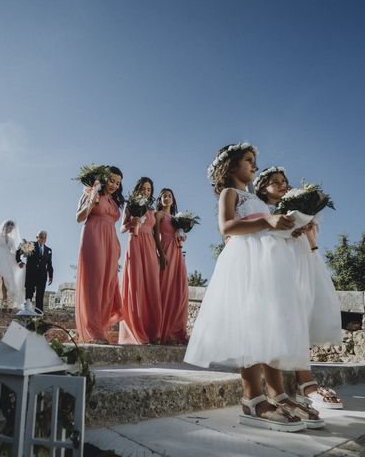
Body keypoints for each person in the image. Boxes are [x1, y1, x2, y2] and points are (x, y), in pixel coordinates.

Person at [184, 143, 311, 432]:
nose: (254, 165)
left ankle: (276, 393)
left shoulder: (258, 200)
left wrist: (289, 231)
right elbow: (227, 227)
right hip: (245, 262)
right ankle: (251, 396)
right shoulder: (231, 194)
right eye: (249, 160)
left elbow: (266, 227)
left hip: (267, 264)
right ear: (231, 167)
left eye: (255, 161)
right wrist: (266, 220)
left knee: (268, 327)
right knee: (250, 326)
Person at [255, 166, 343, 411]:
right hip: (275, 265)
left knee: (301, 315)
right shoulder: (261, 211)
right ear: (263, 187)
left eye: (284, 181)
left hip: (301, 259)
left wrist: (305, 229)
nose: (282, 185)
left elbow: (311, 238)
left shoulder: (295, 206)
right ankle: (305, 382)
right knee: (284, 315)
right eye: (275, 182)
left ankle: (305, 382)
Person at [74, 166, 125, 344]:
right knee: (94, 284)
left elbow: (112, 223)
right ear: (103, 179)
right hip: (93, 238)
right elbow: (79, 218)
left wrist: (117, 245)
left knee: (108, 284)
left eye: (118, 183)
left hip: (111, 242)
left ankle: (101, 328)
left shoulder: (114, 201)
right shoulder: (91, 192)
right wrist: (91, 201)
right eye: (112, 180)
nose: (115, 185)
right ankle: (92, 331)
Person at [118, 177, 166, 345]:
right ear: (138, 189)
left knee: (152, 287)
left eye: (149, 189)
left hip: (150, 248)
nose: (146, 192)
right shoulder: (130, 205)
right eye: (144, 189)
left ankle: (153, 331)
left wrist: (160, 253)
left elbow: (155, 234)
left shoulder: (152, 210)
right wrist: (132, 222)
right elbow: (122, 228)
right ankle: (136, 331)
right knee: (136, 286)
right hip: (135, 244)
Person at [155, 188, 189, 345]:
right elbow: (155, 236)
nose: (166, 198)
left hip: (178, 252)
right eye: (164, 196)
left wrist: (182, 238)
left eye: (169, 196)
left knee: (179, 290)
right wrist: (161, 254)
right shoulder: (159, 215)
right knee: (165, 289)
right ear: (160, 200)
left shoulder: (177, 218)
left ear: (173, 200)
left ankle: (177, 332)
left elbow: (180, 237)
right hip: (165, 251)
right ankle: (163, 332)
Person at [16, 230, 54, 312]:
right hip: (31, 274)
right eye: (41, 237)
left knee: (40, 296)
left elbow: (49, 264)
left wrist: (50, 275)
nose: (43, 239)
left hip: (42, 276)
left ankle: (39, 314)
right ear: (37, 237)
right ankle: (27, 311)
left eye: (45, 237)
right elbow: (18, 252)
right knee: (29, 293)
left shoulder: (48, 250)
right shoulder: (31, 245)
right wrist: (19, 261)